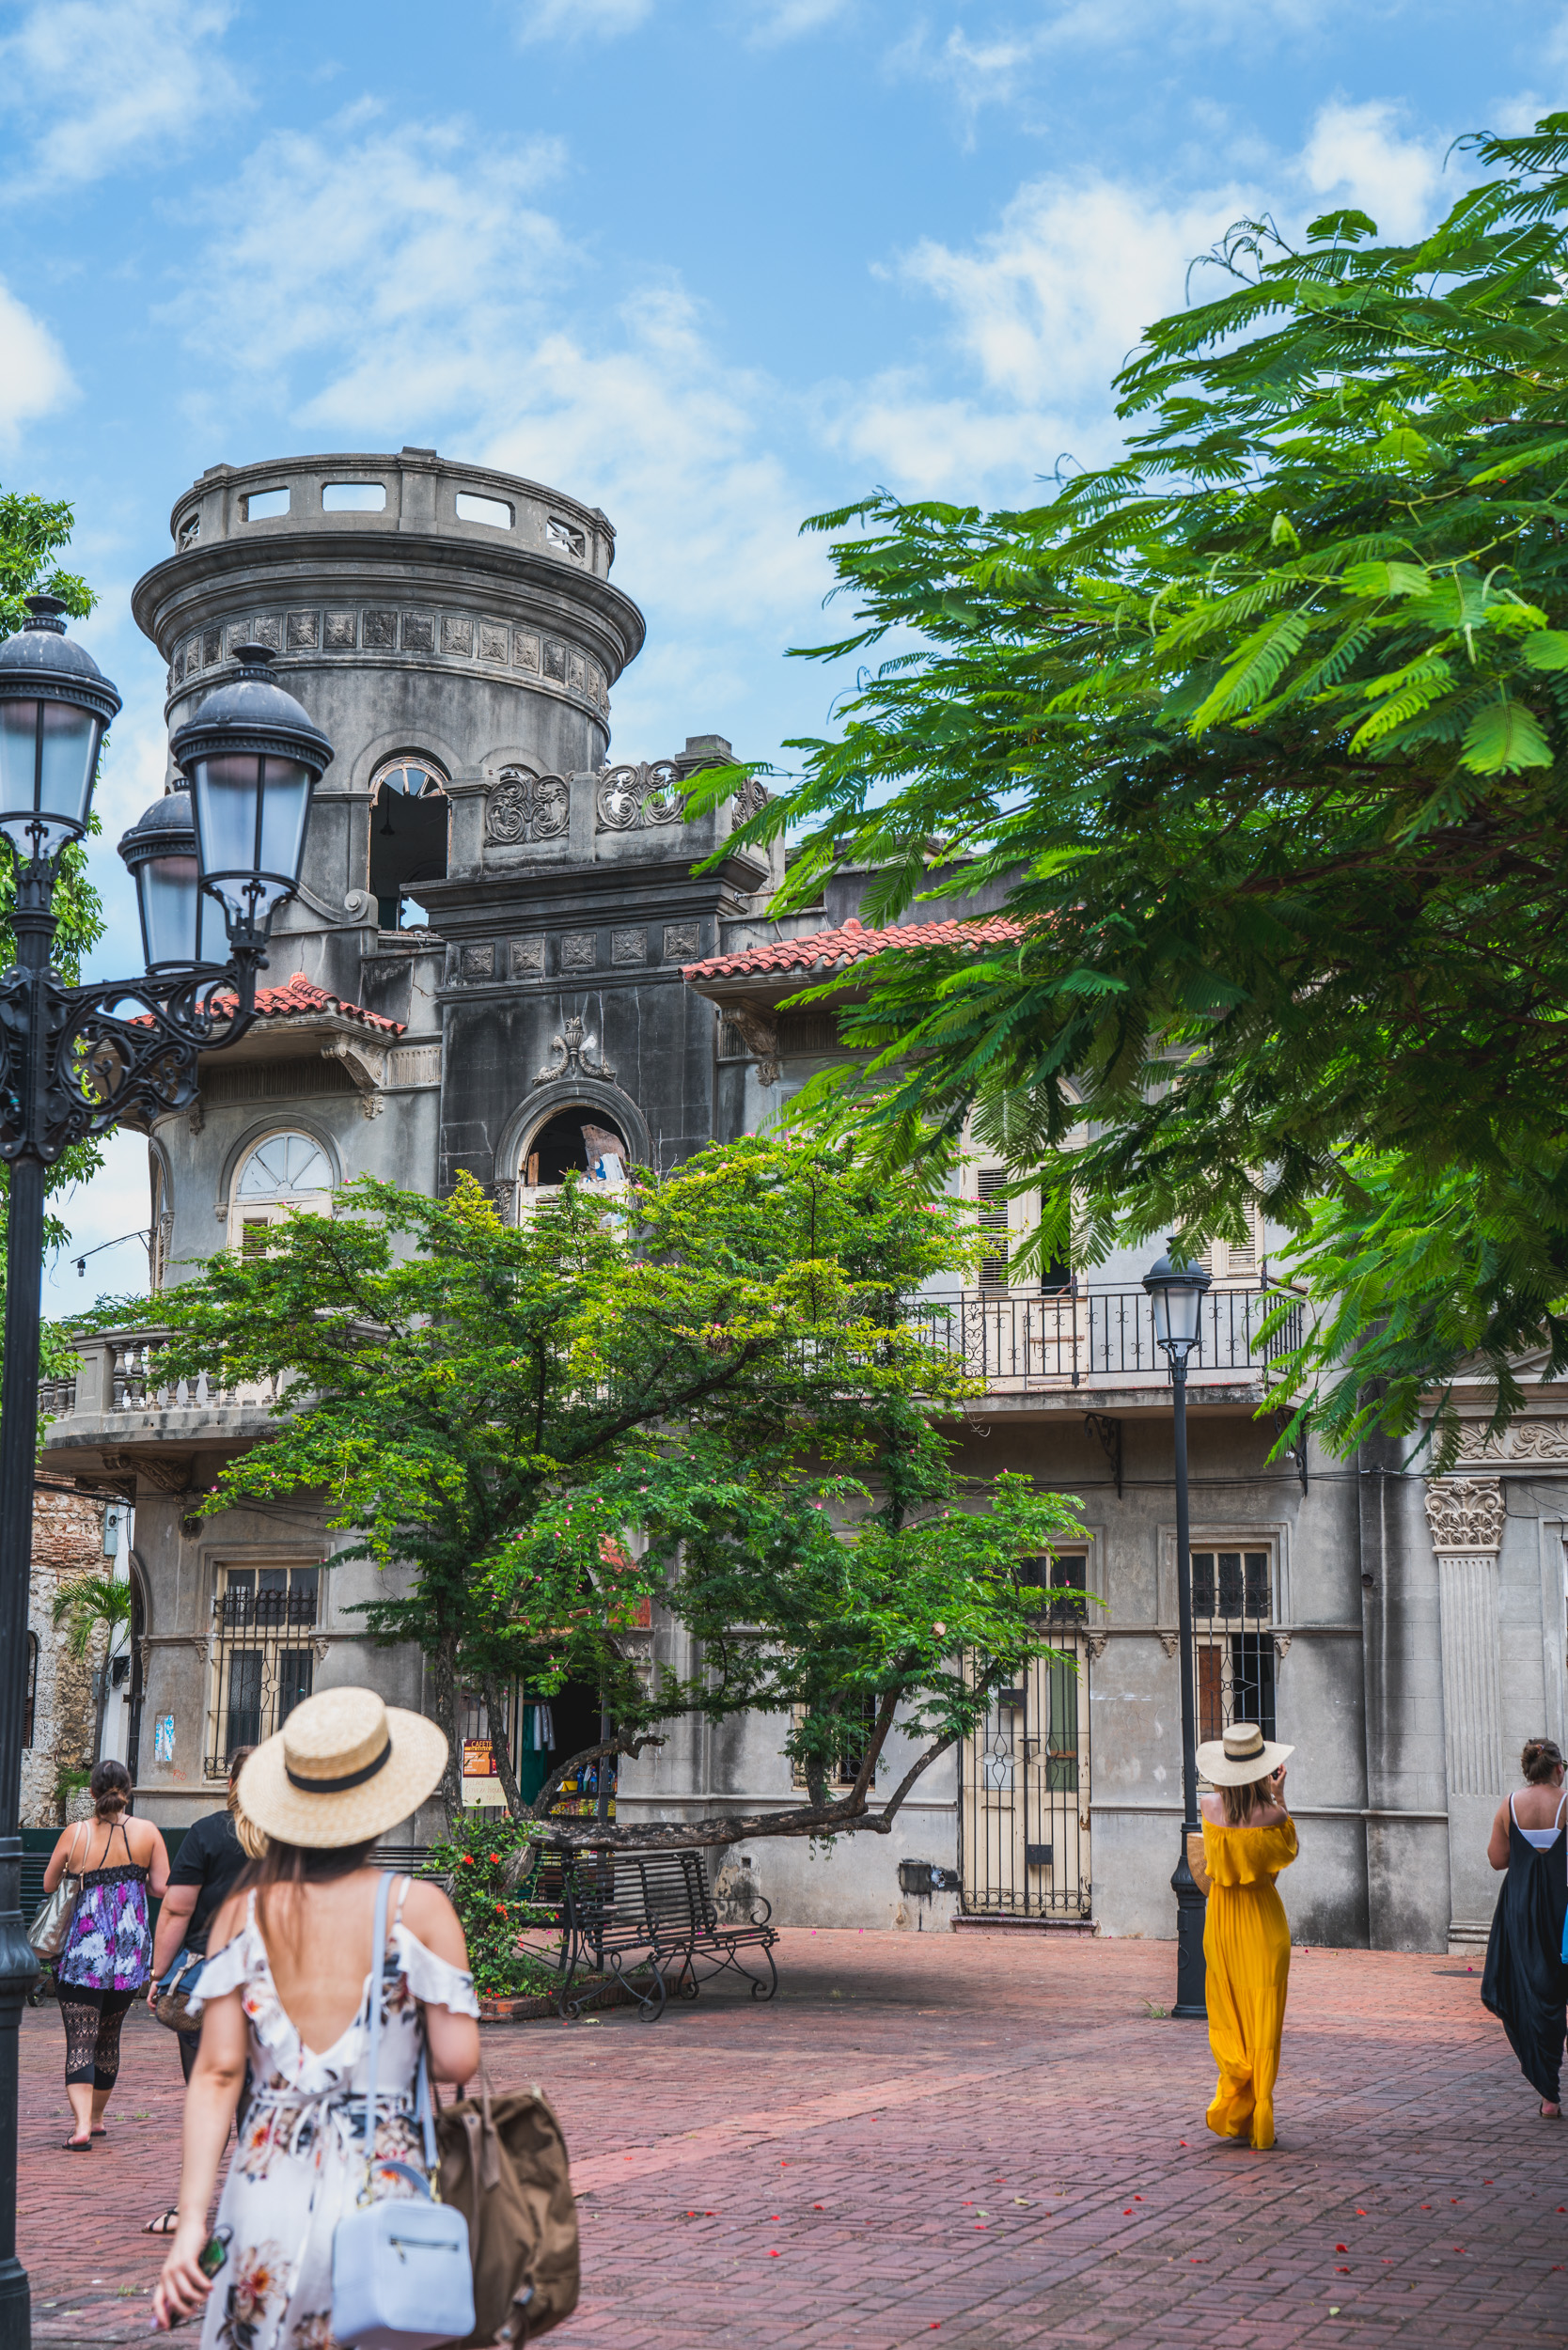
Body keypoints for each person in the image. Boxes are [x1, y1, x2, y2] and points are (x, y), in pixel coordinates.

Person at [151, 1687, 481, 2347]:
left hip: (266, 2184)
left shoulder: (244, 1915)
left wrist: (192, 2223)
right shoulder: (419, 1911)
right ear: (382, 1805)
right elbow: (455, 2060)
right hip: (384, 2184)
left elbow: (216, 2076)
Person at [142, 1745, 258, 2236]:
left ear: (229, 1784)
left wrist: (157, 1974)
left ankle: (192, 2210)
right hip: (279, 1986)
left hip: (209, 1986)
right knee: (263, 2098)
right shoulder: (295, 1839)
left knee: (207, 2099)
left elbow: (176, 1909)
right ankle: (258, 2201)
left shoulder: (207, 1833)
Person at [41, 1757, 170, 2151]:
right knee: (109, 2039)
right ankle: (97, 2119)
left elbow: (49, 1884)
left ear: (93, 1792)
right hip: (128, 1954)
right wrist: (136, 1878)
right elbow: (162, 1888)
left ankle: (80, 2126)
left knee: (81, 2038)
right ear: (127, 1792)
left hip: (83, 1952)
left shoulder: (76, 1833)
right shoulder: (147, 1832)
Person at [1197, 1719, 1297, 2152]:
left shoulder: (1207, 1808)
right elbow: (1286, 1852)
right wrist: (1278, 1797)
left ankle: (1236, 2089)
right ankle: (1259, 2110)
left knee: (1228, 2011)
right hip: (1262, 1920)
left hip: (1221, 1921)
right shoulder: (1273, 1815)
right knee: (1264, 2019)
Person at [1482, 1735, 1568, 2117]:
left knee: (1534, 1991)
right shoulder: (1566, 1803)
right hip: (1562, 1908)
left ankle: (1548, 2096)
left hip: (1521, 1909)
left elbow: (1497, 1859)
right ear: (1558, 1768)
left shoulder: (1510, 1804)